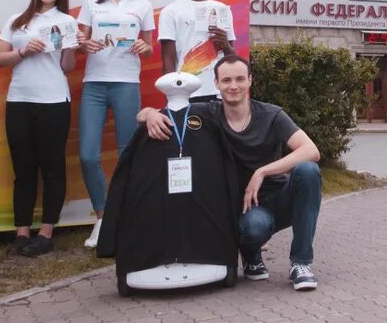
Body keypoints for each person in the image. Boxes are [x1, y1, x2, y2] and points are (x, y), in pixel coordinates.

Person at [138, 54, 323, 291]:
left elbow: (311, 150)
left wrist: (262, 172)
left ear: (249, 81)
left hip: (279, 197)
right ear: (216, 83)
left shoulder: (271, 114)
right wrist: (152, 114)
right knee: (254, 228)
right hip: (246, 207)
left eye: (239, 79)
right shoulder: (206, 113)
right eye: (226, 80)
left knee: (308, 171)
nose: (233, 86)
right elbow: (147, 114)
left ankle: (301, 263)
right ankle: (251, 254)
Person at [0, 0, 78, 257]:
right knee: (23, 169)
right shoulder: (17, 21)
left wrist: (69, 48)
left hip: (54, 101)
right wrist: (22, 52)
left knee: (52, 168)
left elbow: (68, 67)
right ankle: (21, 233)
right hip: (19, 101)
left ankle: (46, 232)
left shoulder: (67, 21)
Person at [76, 0, 156, 249]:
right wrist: (87, 44)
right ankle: (102, 217)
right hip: (94, 85)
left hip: (126, 84)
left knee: (127, 154)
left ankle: (122, 216)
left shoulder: (144, 5)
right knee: (87, 154)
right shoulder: (91, 3)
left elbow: (148, 46)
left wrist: (142, 48)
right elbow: (78, 40)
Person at [158, 0, 236, 102]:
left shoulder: (222, 9)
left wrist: (225, 45)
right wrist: (172, 96)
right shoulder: (170, 11)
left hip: (219, 91)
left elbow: (232, 57)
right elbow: (168, 58)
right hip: (186, 93)